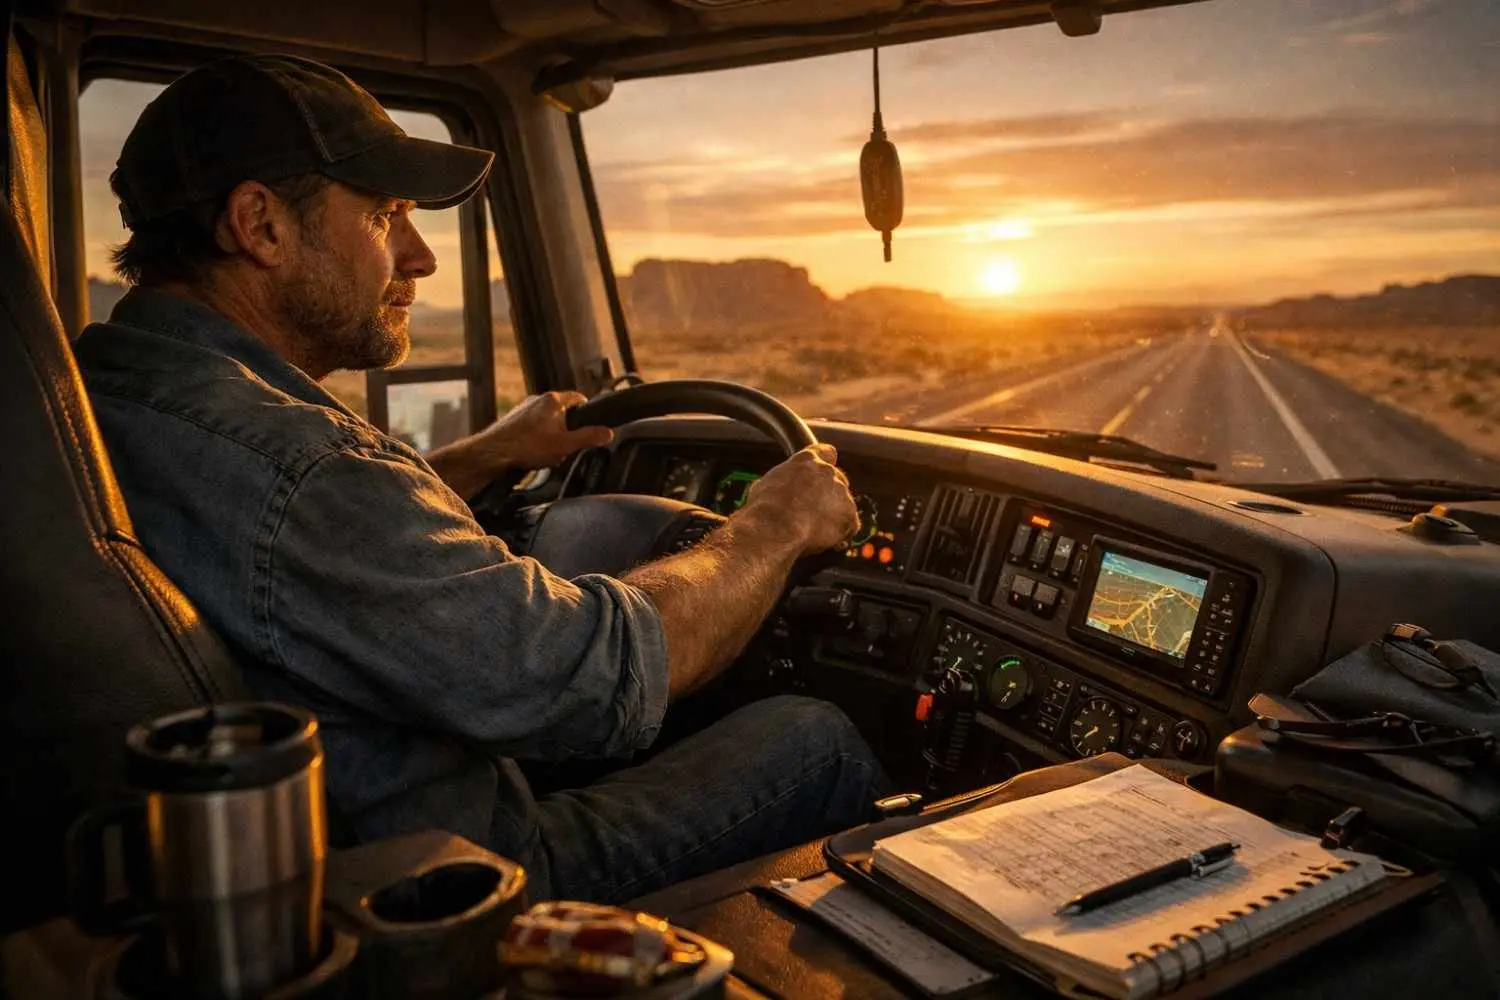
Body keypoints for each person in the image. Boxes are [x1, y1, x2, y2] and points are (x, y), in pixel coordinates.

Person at [74, 54, 888, 903]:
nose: (421, 257)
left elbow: (300, 546)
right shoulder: (309, 470)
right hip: (457, 883)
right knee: (815, 735)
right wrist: (774, 526)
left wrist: (482, 456)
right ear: (260, 225)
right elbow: (599, 674)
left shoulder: (112, 388)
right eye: (388, 216)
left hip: (299, 856)